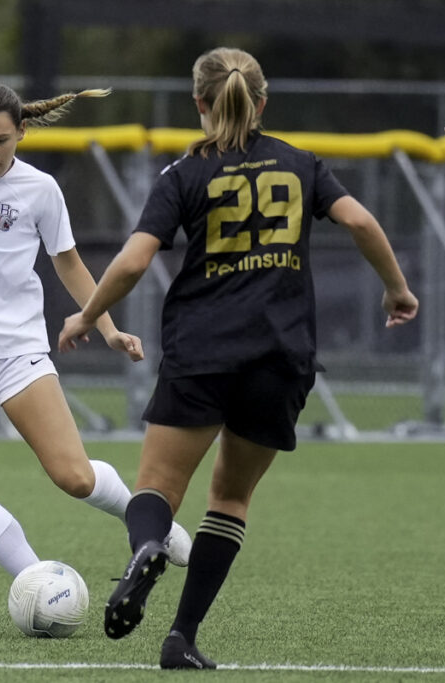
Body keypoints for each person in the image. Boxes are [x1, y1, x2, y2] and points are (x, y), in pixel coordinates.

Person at [59, 47, 419, 669]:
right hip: (281, 356)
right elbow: (359, 221)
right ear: (263, 101)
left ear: (200, 103)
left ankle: (147, 547)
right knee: (228, 500)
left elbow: (136, 260)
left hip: (203, 350)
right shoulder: (300, 163)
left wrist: (88, 317)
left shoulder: (184, 175)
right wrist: (396, 287)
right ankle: (182, 637)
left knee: (157, 490)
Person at [0, 82, 191, 579]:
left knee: (74, 477)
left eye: (0, 140)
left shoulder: (40, 189)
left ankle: (148, 518)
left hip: (16, 351)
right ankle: (38, 582)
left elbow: (68, 264)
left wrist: (105, 326)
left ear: (22, 132)